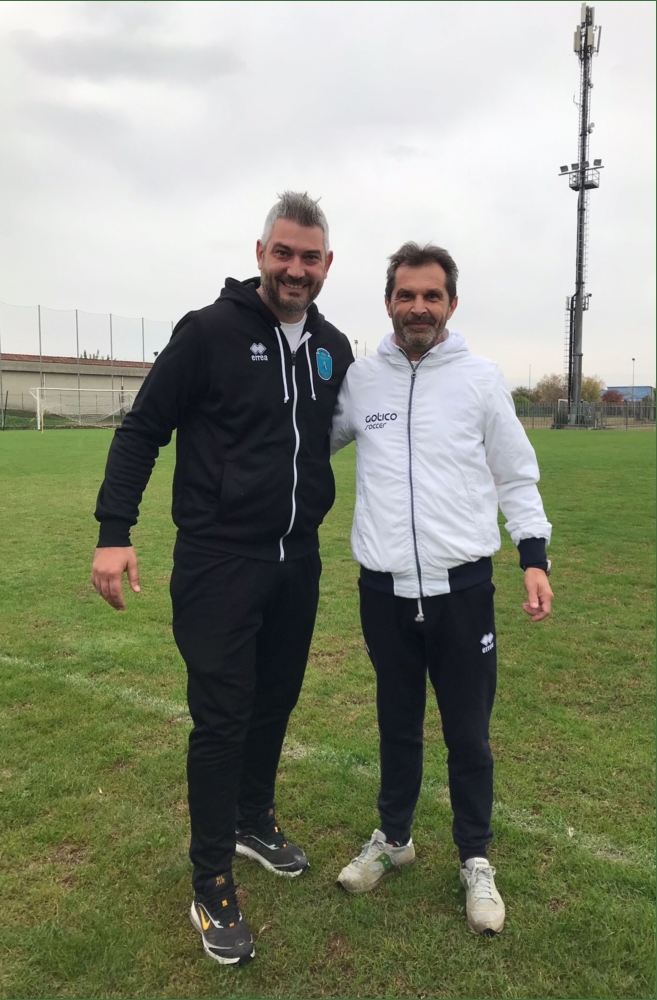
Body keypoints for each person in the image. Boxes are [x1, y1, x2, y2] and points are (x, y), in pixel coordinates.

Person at [91, 192, 354, 965]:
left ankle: (251, 818)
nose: (296, 268)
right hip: (219, 562)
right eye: (284, 253)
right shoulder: (208, 332)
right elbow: (143, 428)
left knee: (276, 700)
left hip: (297, 560)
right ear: (260, 253)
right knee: (223, 717)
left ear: (327, 265)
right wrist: (114, 533)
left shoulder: (333, 346)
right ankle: (210, 880)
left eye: (310, 257)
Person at [330, 242, 553, 936]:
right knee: (396, 725)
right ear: (388, 303)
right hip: (384, 591)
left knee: (468, 734)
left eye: (431, 295)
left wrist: (534, 556)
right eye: (406, 295)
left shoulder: (481, 380)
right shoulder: (363, 380)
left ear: (451, 303)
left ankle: (475, 859)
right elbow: (308, 443)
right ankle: (393, 838)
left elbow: (515, 472)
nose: (418, 307)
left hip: (463, 591)